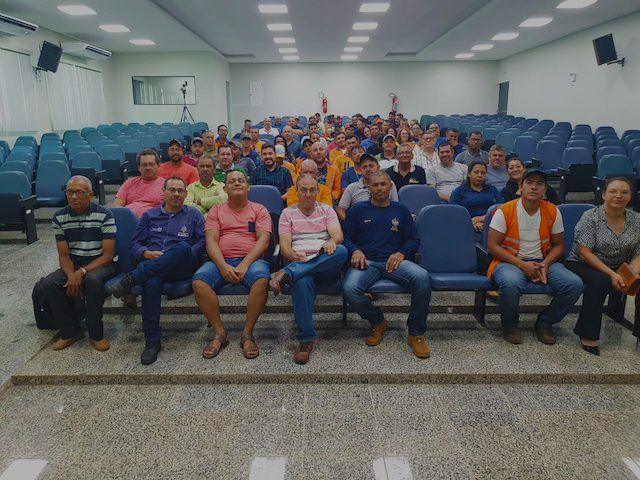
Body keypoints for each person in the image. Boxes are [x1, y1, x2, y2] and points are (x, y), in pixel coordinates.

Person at [105, 177, 205, 365]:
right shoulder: (149, 216)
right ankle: (152, 341)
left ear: (186, 194)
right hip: (152, 264)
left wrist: (183, 255)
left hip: (180, 266)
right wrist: (145, 253)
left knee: (183, 247)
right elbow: (135, 244)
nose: (176, 194)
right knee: (151, 282)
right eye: (172, 190)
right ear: (163, 192)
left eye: (180, 191)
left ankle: (131, 279)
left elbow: (201, 242)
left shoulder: (194, 215)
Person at [487, 169, 583, 345]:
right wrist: (522, 265)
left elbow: (559, 245)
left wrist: (545, 264)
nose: (534, 187)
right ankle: (510, 324)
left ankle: (545, 322)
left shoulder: (553, 211)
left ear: (545, 189)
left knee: (574, 284)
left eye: (539, 184)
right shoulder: (504, 210)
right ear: (521, 187)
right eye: (529, 182)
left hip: (543, 261)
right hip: (510, 261)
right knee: (510, 283)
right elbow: (492, 246)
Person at [342, 171, 431, 358]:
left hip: (394, 262)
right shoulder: (357, 210)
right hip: (367, 262)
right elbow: (346, 238)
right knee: (349, 288)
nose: (379, 188)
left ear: (390, 186)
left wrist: (401, 253)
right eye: (375, 185)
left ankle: (416, 333)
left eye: (383, 184)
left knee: (423, 277)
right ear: (368, 188)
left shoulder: (401, 210)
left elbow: (413, 239)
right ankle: (377, 321)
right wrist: (355, 250)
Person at [192, 171, 271, 360]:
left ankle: (247, 334)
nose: (236, 183)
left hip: (251, 262)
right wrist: (222, 266)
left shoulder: (259, 209)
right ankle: (220, 333)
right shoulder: (216, 211)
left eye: (241, 180)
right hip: (221, 260)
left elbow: (264, 240)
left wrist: (244, 264)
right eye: (232, 181)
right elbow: (210, 241)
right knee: (199, 282)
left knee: (262, 279)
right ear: (225, 188)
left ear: (248, 187)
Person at [270, 175, 347, 364]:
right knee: (302, 282)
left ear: (318, 191)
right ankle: (305, 340)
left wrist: (332, 241)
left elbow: (338, 235)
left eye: (312, 190)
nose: (308, 194)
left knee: (341, 251)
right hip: (300, 259)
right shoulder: (287, 213)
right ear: (296, 192)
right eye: (303, 190)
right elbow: (285, 245)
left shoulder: (327, 210)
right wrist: (291, 254)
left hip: (325, 263)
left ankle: (289, 272)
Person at [565, 177, 640, 355]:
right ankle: (587, 334)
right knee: (600, 282)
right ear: (604, 194)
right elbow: (585, 252)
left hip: (621, 266)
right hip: (583, 263)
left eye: (624, 192)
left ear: (630, 196)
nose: (618, 195)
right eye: (613, 191)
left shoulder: (637, 220)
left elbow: (638, 252)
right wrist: (612, 275)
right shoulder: (591, 216)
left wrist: (631, 273)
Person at [43, 176, 116, 351]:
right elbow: (63, 256)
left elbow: (108, 255)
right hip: (74, 264)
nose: (73, 197)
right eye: (70, 192)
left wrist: (81, 272)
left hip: (101, 263)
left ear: (90, 194)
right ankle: (70, 332)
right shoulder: (59, 217)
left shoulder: (105, 215)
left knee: (92, 281)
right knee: (50, 283)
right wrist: (71, 275)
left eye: (79, 192)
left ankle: (96, 335)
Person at [337, 154, 398, 221]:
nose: (368, 169)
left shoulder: (388, 184)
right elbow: (340, 209)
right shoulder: (352, 187)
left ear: (378, 167)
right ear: (360, 170)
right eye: (364, 167)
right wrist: (350, 223)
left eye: (371, 166)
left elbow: (395, 206)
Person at [449, 160, 502, 235]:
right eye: (476, 172)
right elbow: (454, 214)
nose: (480, 175)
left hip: (492, 226)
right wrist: (472, 223)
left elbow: (501, 209)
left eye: (483, 173)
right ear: (469, 174)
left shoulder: (492, 190)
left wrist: (480, 219)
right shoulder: (459, 191)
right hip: (465, 227)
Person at [114, 148, 164, 218]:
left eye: (151, 164)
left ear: (158, 166)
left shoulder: (166, 185)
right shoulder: (129, 183)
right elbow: (117, 205)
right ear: (139, 168)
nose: (148, 168)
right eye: (144, 165)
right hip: (128, 219)